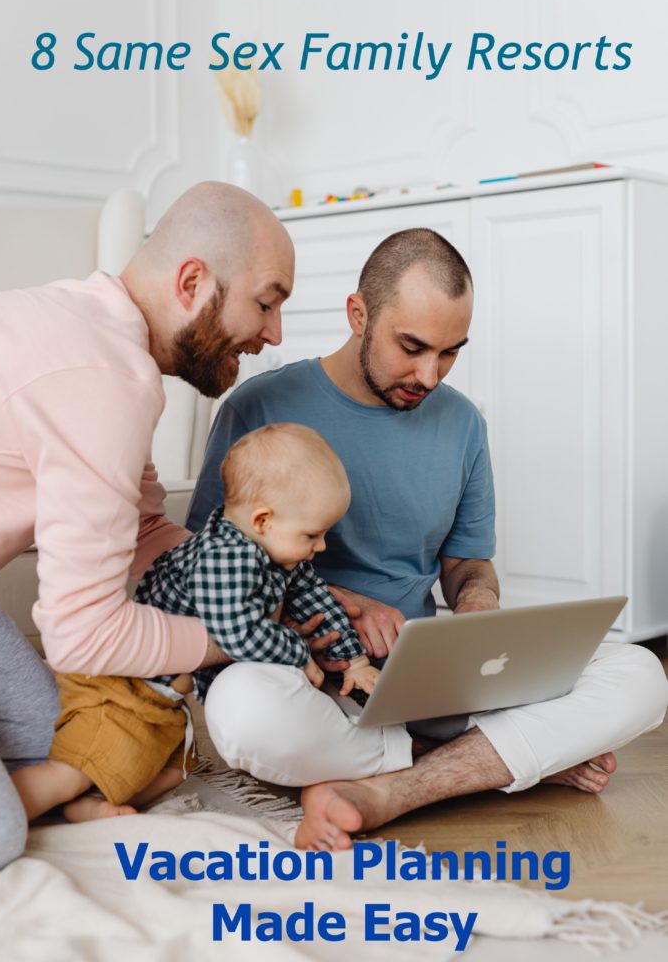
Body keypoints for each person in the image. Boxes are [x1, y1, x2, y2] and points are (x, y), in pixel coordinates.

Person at [186, 227, 668, 851]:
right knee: (240, 711)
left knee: (639, 674)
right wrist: (335, 608)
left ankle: (389, 787)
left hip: (433, 678)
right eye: (411, 346)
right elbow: (206, 567)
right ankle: (495, 758)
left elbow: (468, 563)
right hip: (314, 682)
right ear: (358, 314)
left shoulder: (463, 423)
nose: (430, 374)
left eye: (450, 352)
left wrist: (477, 612)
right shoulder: (260, 406)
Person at [0, 181, 294, 870]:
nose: (274, 334)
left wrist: (266, 582)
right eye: (267, 301)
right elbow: (83, 633)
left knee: (91, 746)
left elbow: (146, 533)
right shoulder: (103, 379)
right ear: (192, 282)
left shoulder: (99, 332)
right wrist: (242, 637)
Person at [10, 424, 394, 824]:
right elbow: (237, 632)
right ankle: (17, 806)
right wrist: (298, 653)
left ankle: (85, 801)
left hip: (166, 694)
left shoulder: (278, 552)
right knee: (81, 763)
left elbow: (315, 597)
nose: (322, 546)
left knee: (171, 770)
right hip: (121, 684)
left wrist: (354, 662)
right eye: (313, 534)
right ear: (262, 520)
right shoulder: (225, 556)